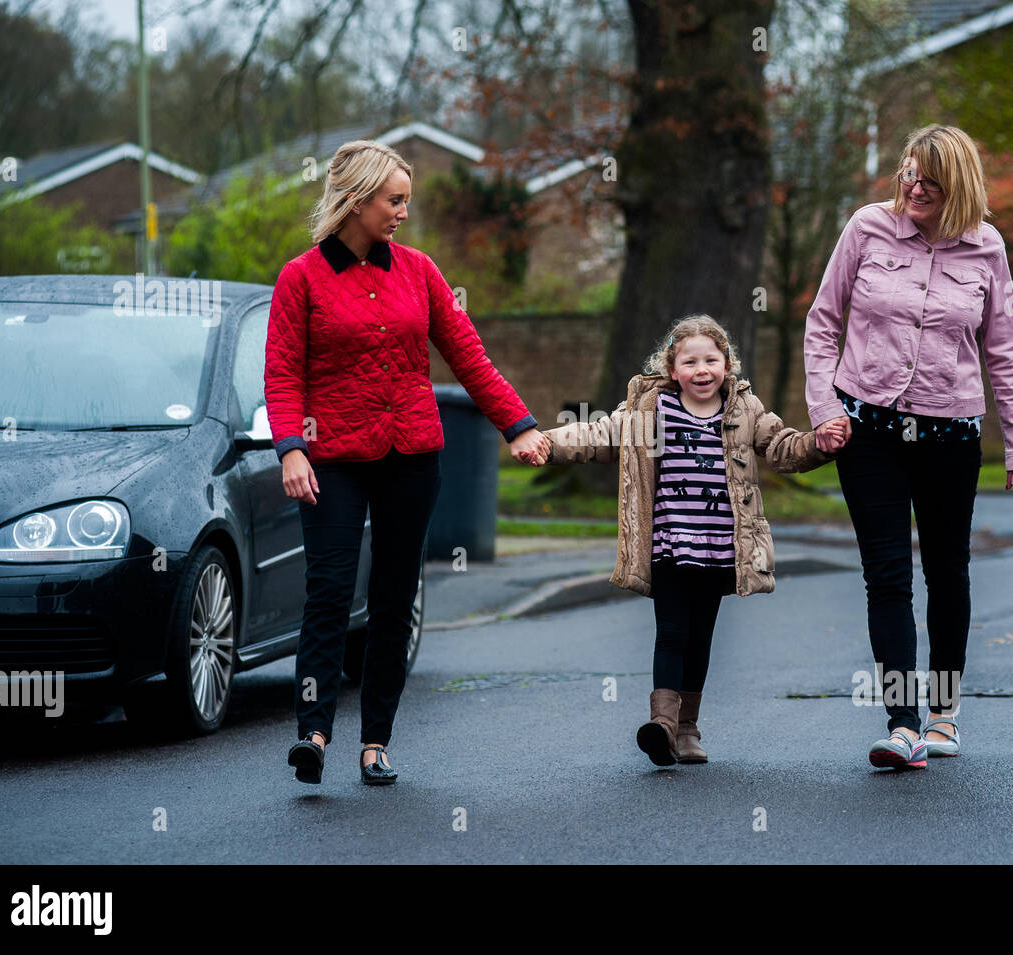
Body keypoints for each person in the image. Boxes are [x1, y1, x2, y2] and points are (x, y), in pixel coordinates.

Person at [265, 140, 550, 785]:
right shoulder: (300, 278)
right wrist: (291, 448)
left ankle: (376, 744)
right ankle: (312, 732)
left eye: (405, 202)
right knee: (329, 593)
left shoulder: (419, 272)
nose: (401, 212)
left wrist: (518, 425)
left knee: (394, 598)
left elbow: (469, 356)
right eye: (393, 201)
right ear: (357, 199)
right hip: (331, 457)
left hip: (411, 456)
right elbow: (281, 374)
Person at [803, 124, 1013, 770]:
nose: (913, 188)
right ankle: (902, 723)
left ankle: (942, 714)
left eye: (928, 182)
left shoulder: (987, 249)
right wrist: (825, 409)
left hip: (949, 433)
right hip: (868, 428)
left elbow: (1005, 352)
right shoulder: (866, 229)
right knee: (887, 575)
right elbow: (823, 323)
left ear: (956, 187)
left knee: (946, 571)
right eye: (908, 174)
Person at [526, 315, 839, 766]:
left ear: (726, 365)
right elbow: (596, 435)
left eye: (711, 359)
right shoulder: (652, 410)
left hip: (719, 548)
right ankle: (663, 725)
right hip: (670, 544)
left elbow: (782, 447)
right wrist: (545, 444)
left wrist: (820, 444)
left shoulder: (744, 411)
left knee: (701, 637)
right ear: (673, 369)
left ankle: (688, 729)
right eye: (690, 361)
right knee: (671, 632)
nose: (702, 369)